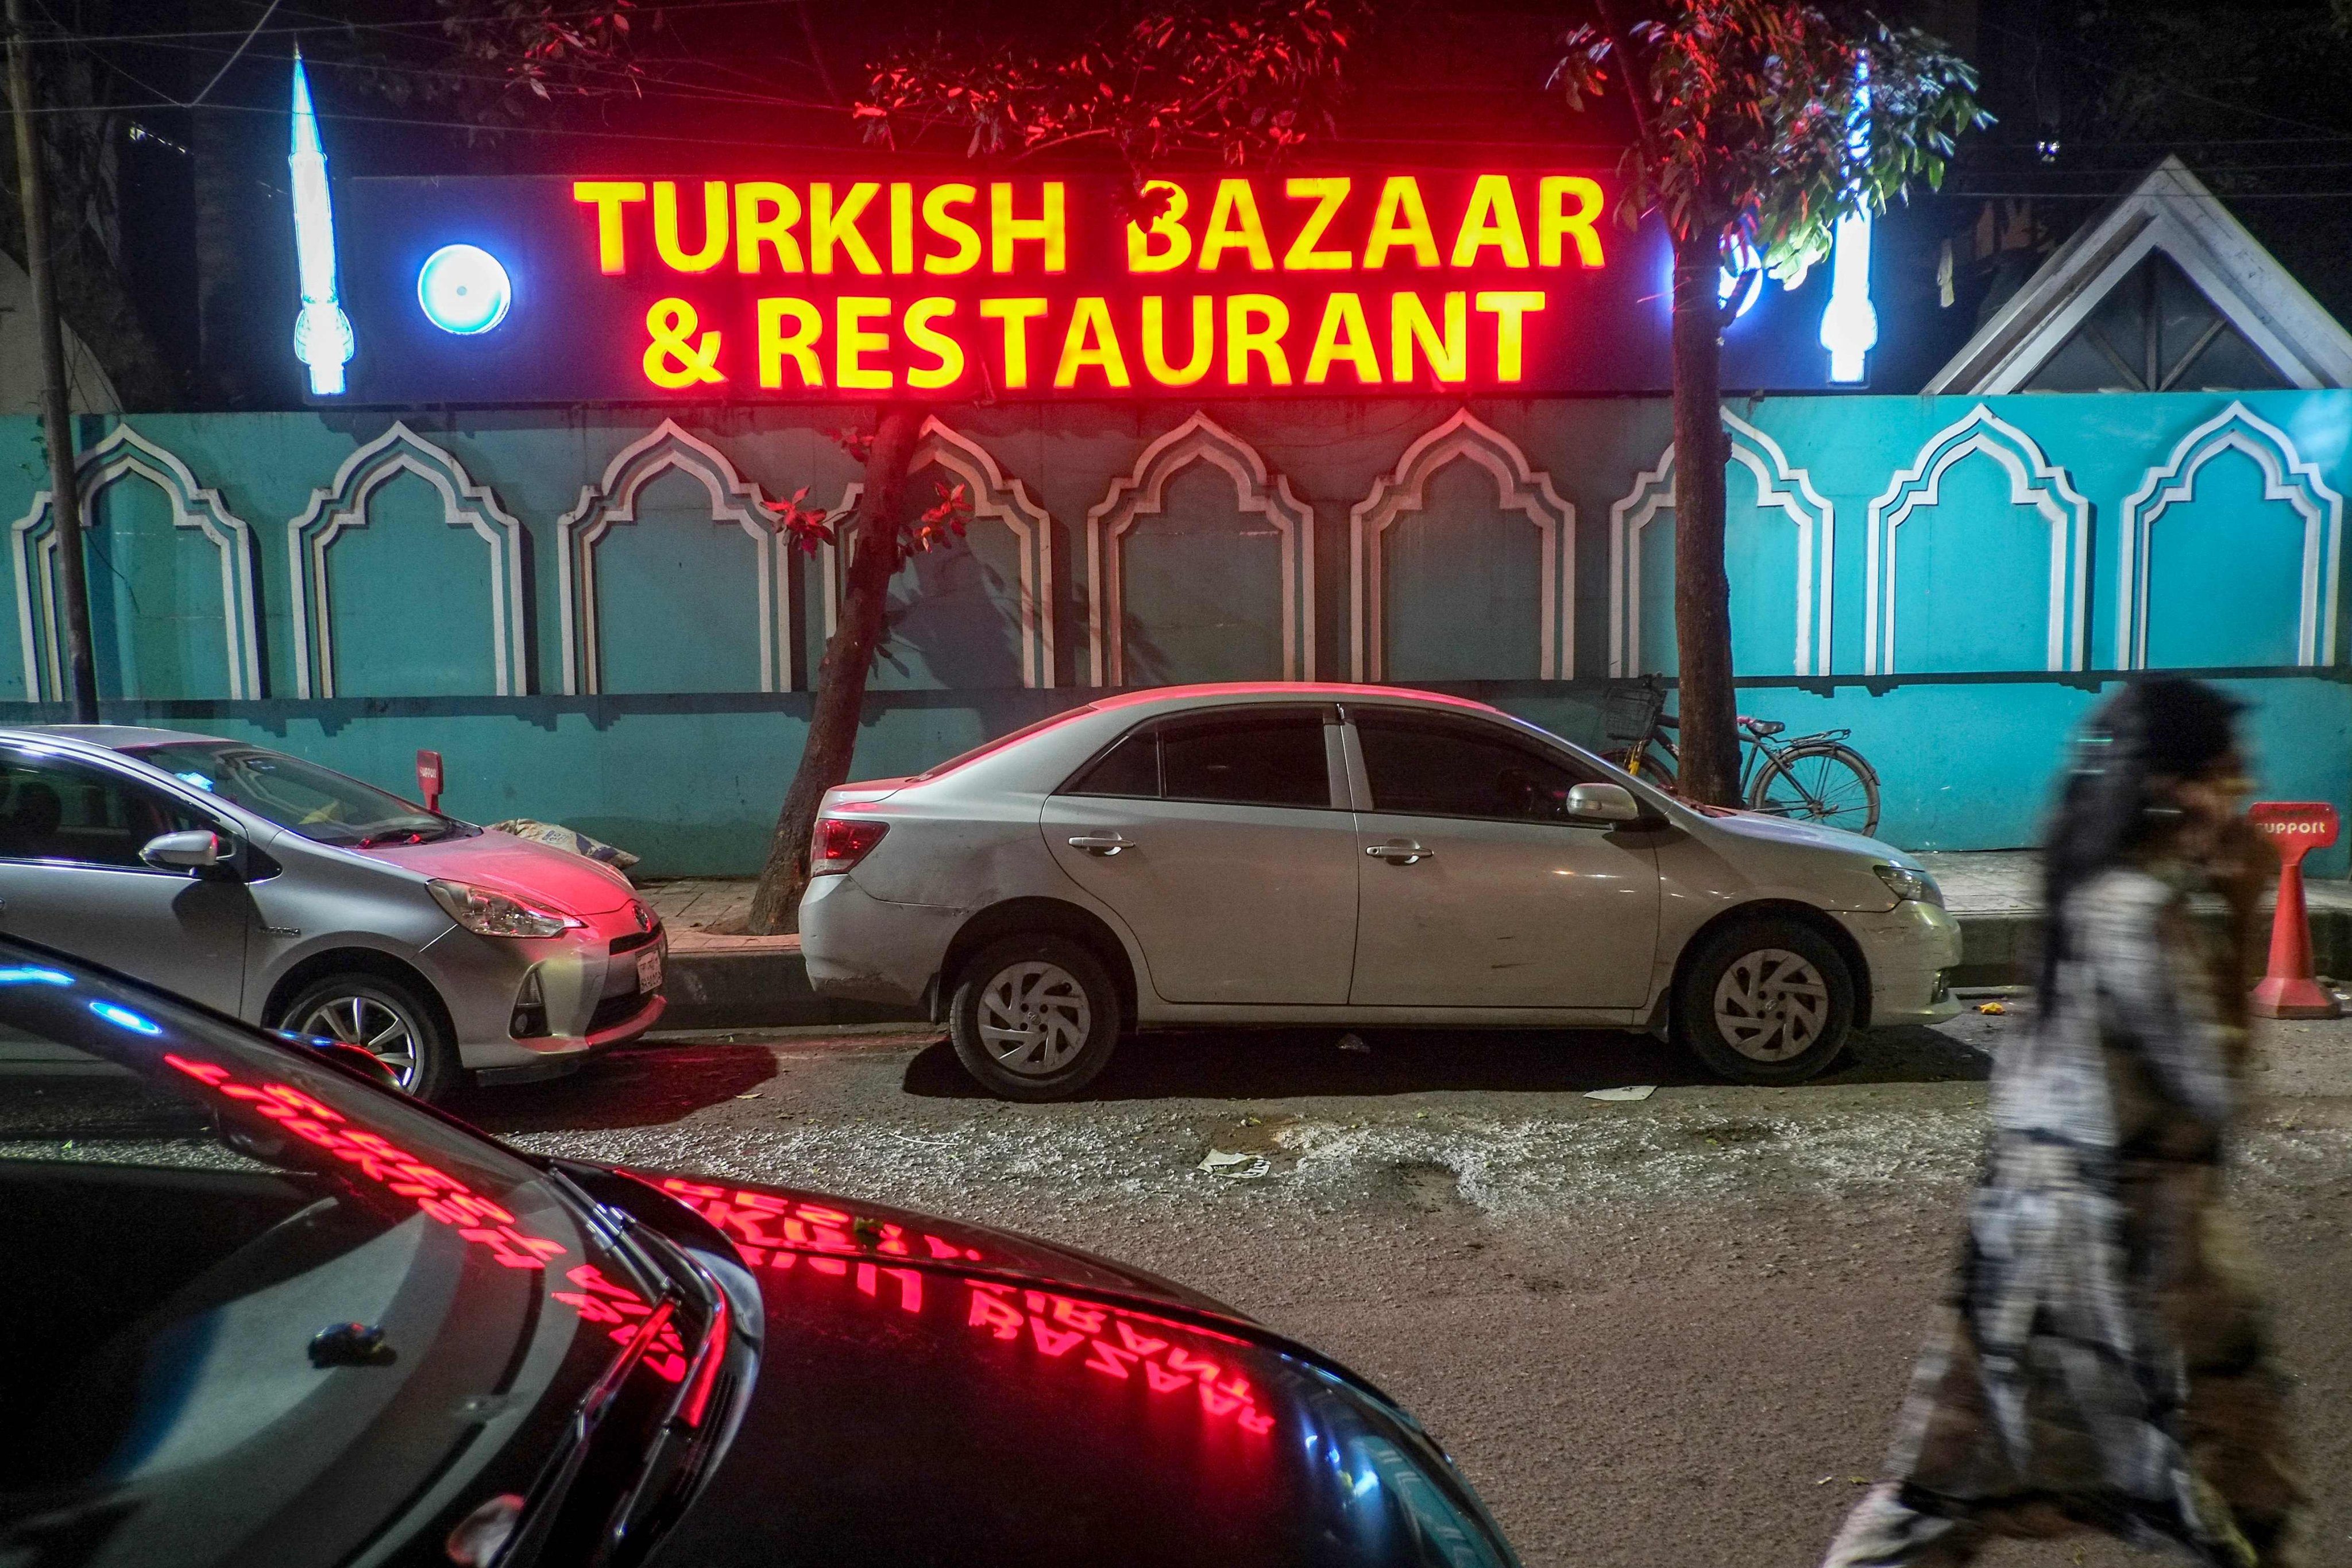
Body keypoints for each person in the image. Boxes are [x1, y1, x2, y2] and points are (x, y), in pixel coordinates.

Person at [1820, 678, 2302, 1567]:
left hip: (2033, 1246)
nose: (2242, 799)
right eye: (2231, 777)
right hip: (2111, 1260)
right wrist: (2240, 909)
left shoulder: (2090, 891)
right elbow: (2217, 1093)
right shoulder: (2138, 915)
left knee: (1951, 1483)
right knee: (2204, 1475)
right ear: (2181, 786)